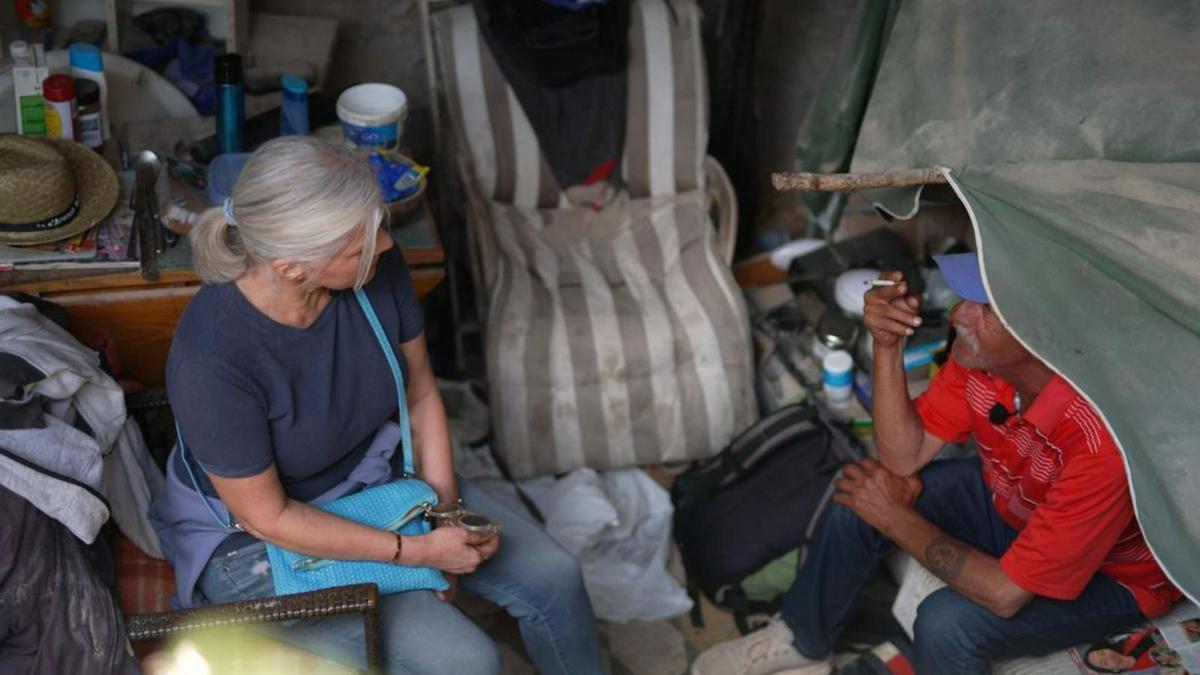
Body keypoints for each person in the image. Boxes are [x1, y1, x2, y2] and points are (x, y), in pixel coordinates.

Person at [149, 136, 604, 674]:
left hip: (374, 485)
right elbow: (267, 517)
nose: (386, 245)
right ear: (293, 267)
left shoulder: (372, 272)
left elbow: (421, 393)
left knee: (556, 575)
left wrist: (443, 517)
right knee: (467, 661)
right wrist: (418, 555)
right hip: (260, 543)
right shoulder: (213, 360)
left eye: (379, 227)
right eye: (362, 242)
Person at [691, 252, 1181, 675]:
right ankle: (802, 640)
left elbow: (1006, 593)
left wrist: (895, 517)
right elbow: (902, 457)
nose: (956, 315)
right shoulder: (982, 367)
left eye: (981, 308)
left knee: (949, 624)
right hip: (1013, 506)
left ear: (1038, 332)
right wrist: (887, 346)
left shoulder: (1103, 440)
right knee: (866, 490)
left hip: (1113, 576)